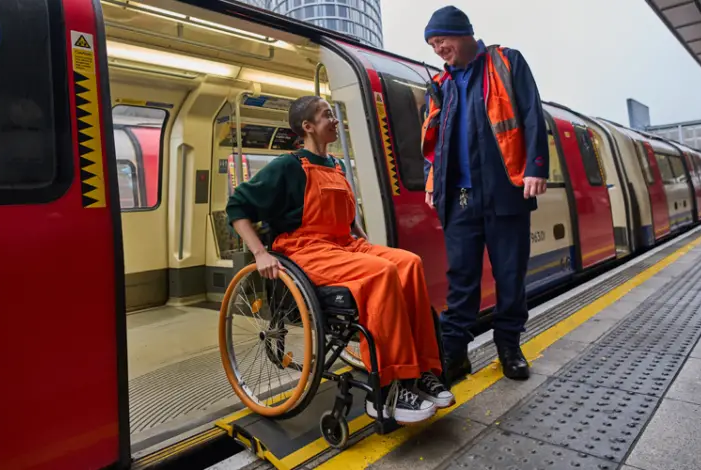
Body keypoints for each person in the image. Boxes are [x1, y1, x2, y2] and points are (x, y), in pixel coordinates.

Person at [226, 95, 454, 424]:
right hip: (306, 248)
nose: (334, 121)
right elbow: (238, 206)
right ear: (307, 127)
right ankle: (387, 388)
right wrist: (260, 253)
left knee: (409, 263)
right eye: (327, 116)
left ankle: (422, 370)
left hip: (345, 244)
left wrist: (364, 241)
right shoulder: (288, 166)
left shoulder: (337, 167)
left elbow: (348, 219)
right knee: (381, 273)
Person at [421, 6, 549, 383]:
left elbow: (531, 112)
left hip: (505, 189)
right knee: (461, 277)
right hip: (459, 196)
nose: (437, 48)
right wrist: (433, 184)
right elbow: (431, 142)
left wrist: (536, 167)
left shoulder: (506, 62)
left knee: (510, 275)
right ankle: (455, 354)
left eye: (441, 40)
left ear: (463, 33)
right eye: (431, 43)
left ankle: (509, 347)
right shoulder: (440, 83)